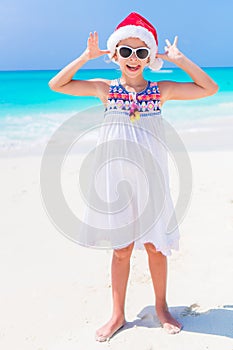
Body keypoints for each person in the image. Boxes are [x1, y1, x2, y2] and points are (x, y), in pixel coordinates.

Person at [48, 12, 218, 341]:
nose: (133, 59)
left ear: (150, 57)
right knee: (121, 249)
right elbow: (58, 84)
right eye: (126, 51)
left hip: (152, 180)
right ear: (114, 55)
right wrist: (86, 56)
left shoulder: (161, 90)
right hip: (116, 182)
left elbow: (209, 88)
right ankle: (116, 314)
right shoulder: (105, 90)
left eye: (142, 53)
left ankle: (161, 306)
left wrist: (181, 60)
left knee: (156, 247)